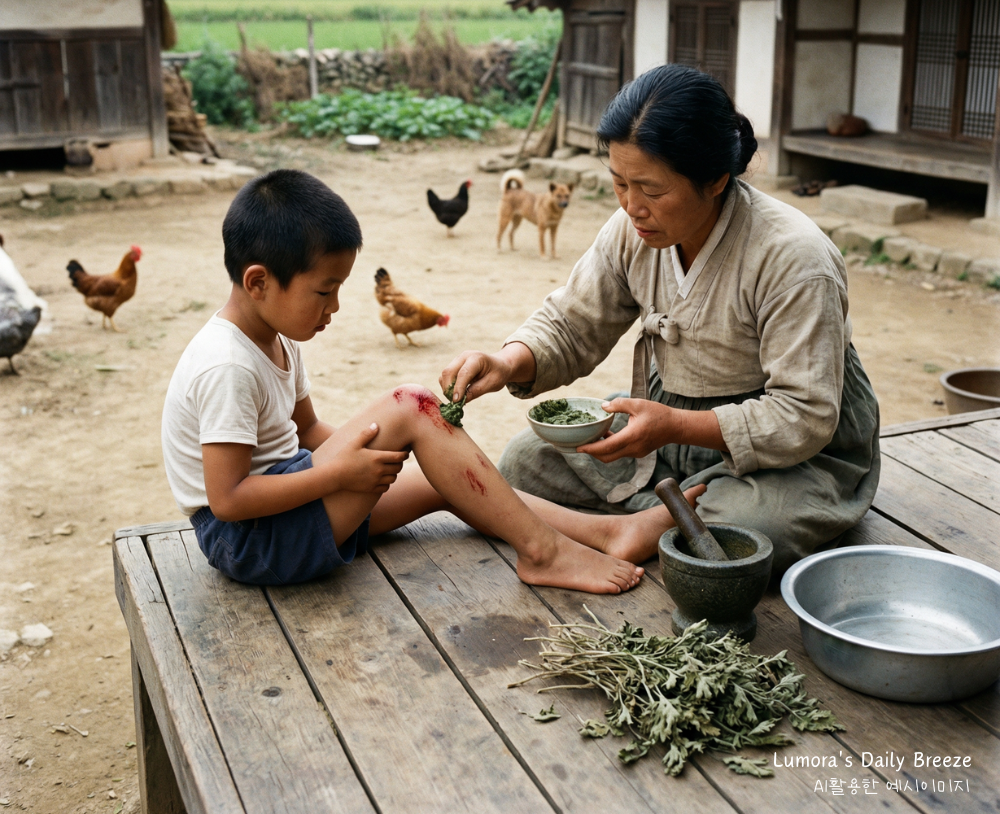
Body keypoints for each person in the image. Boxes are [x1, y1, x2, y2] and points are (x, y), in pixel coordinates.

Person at [161, 169, 698, 594]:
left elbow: (307, 434)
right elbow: (228, 500)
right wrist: (339, 474)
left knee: (444, 485)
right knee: (412, 403)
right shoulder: (226, 365)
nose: (336, 306)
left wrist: (363, 458)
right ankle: (544, 552)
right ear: (259, 281)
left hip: (289, 505)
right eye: (324, 291)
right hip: (252, 540)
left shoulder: (275, 337)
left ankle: (606, 532)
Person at [442, 65, 880, 573]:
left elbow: (804, 415)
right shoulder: (631, 230)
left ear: (715, 180)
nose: (632, 207)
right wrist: (506, 361)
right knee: (523, 466)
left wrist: (674, 425)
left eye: (651, 190)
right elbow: (574, 320)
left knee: (755, 530)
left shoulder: (794, 259)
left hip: (790, 452)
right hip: (666, 431)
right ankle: (643, 526)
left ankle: (657, 520)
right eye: (619, 183)